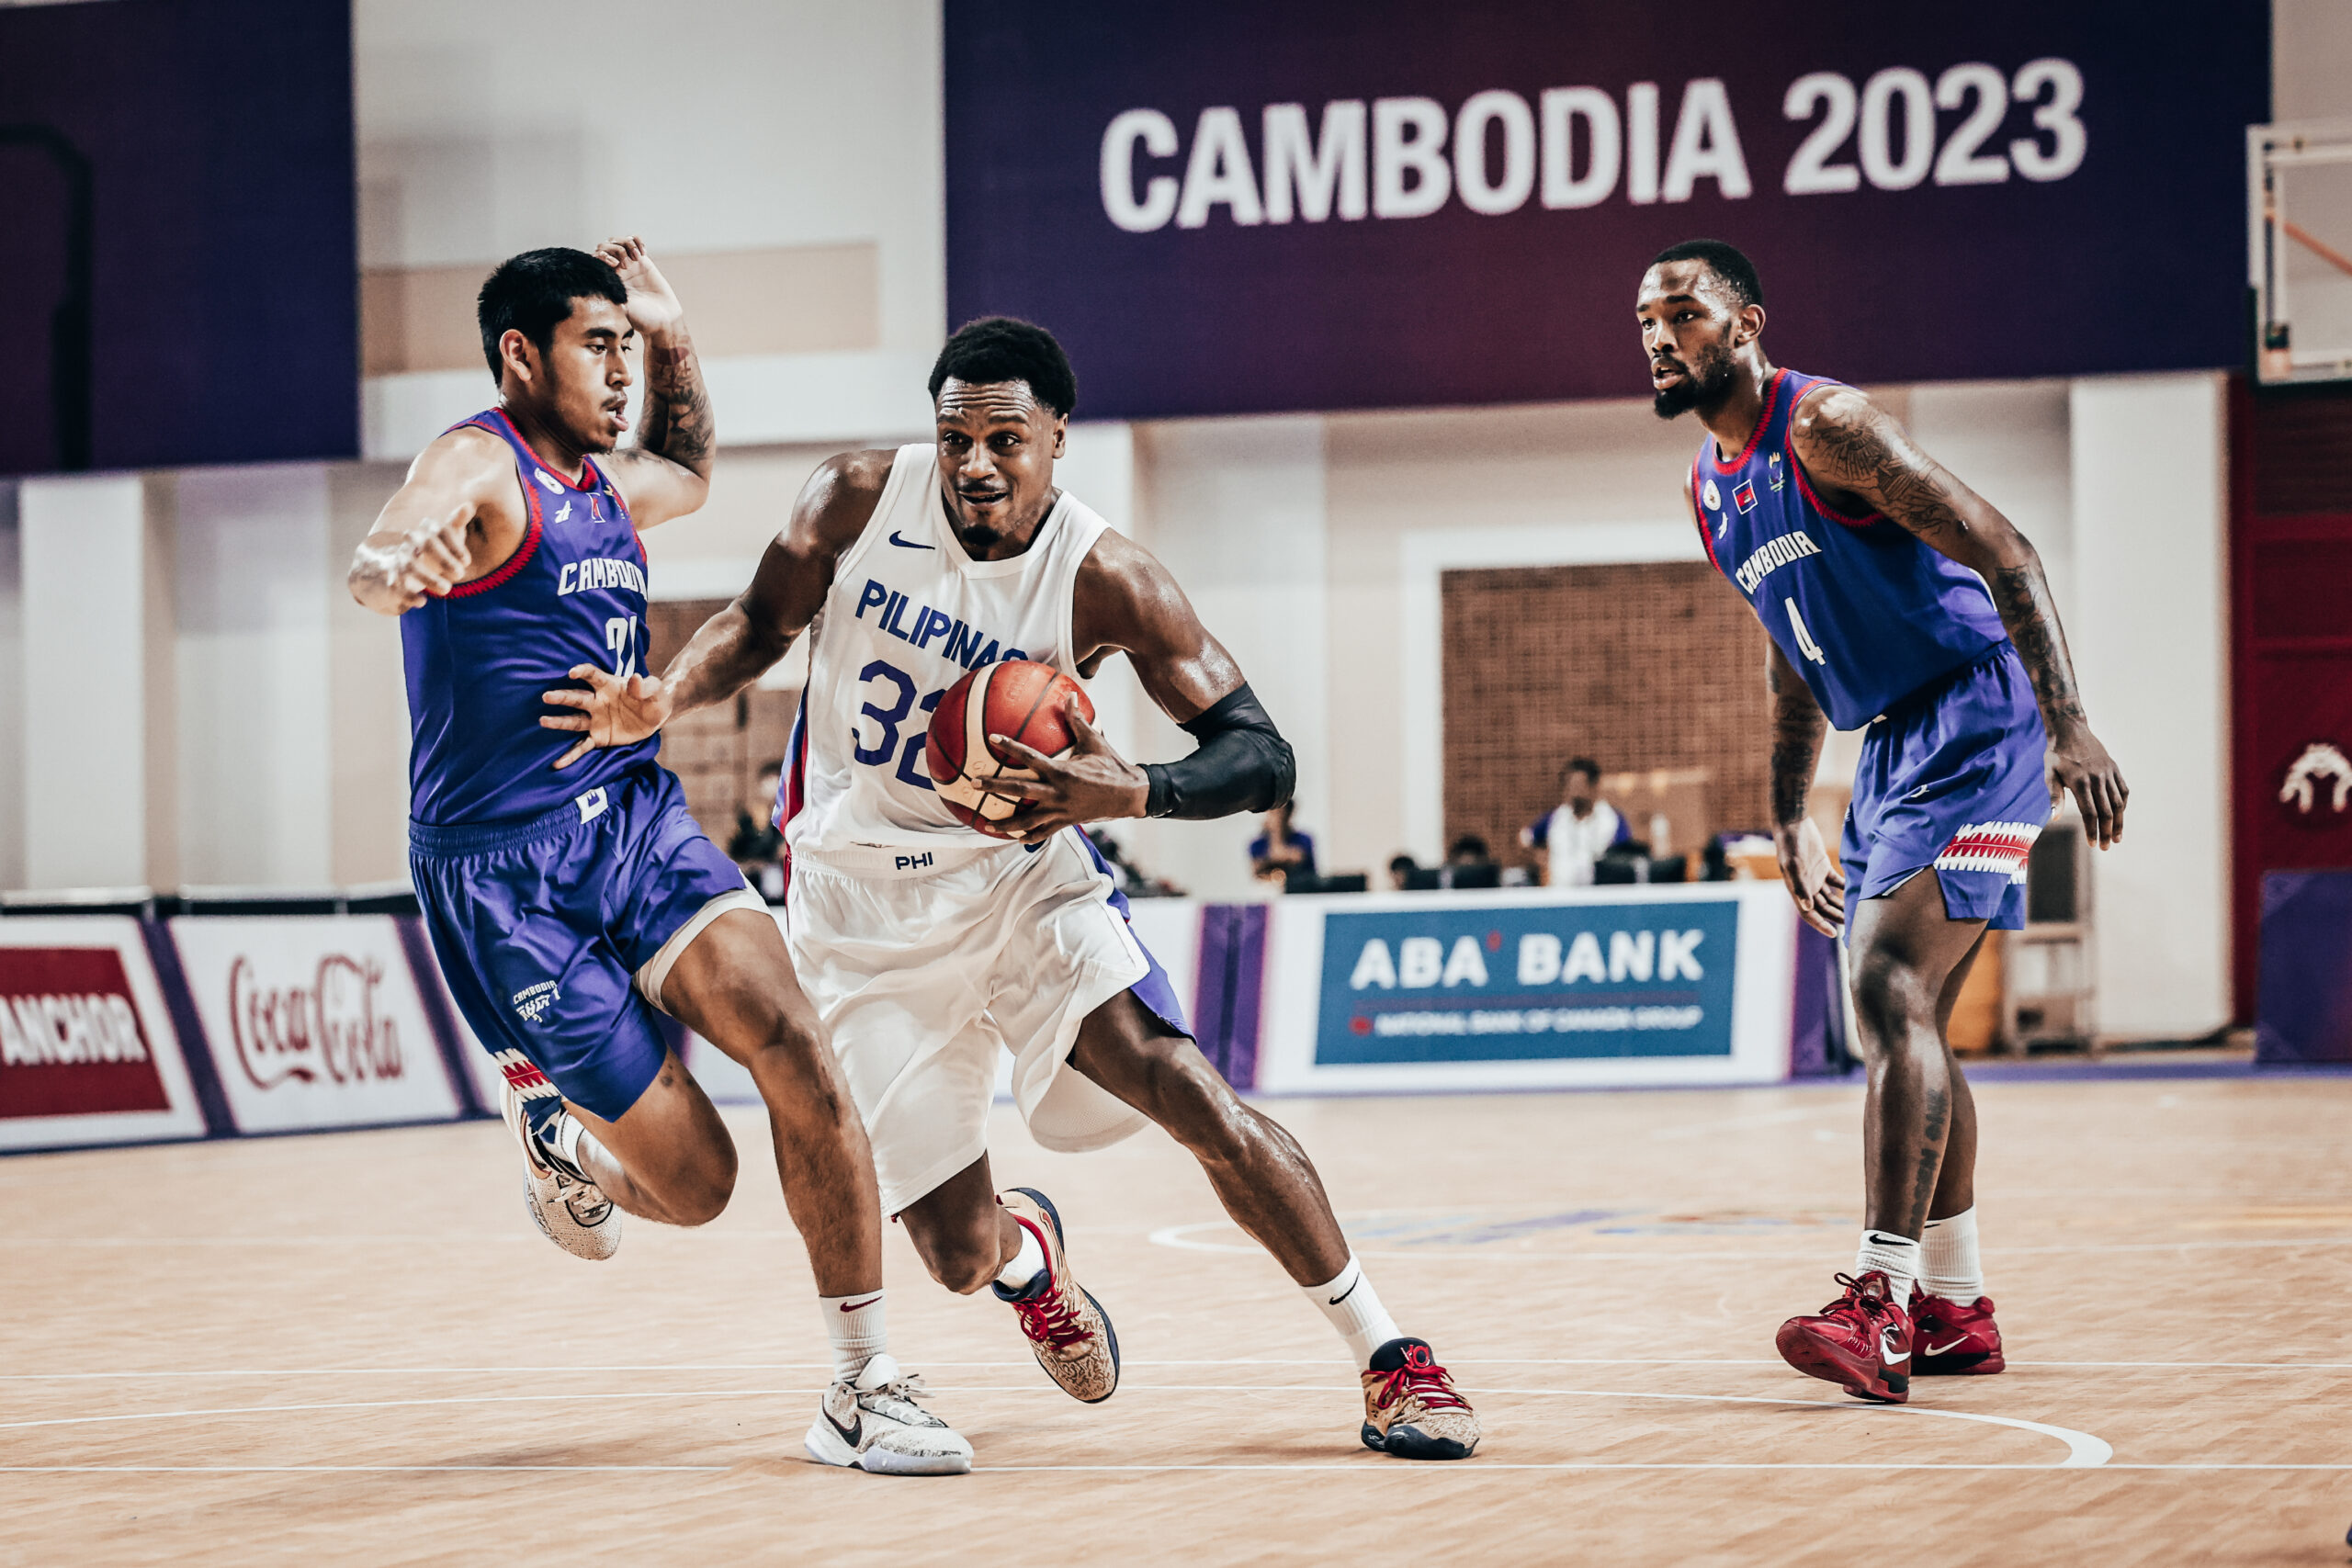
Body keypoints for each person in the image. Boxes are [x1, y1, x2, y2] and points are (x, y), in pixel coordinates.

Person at [548, 316, 1479, 1461]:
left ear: (1055, 440)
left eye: (1005, 439)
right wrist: (669, 692)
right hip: (858, 909)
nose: (976, 464)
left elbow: (1260, 756)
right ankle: (1027, 1255)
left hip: (1020, 883)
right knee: (952, 1254)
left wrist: (1126, 789)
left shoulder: (1105, 578)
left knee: (1180, 1082)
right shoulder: (853, 497)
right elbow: (757, 624)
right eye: (955, 439)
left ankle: (1391, 1360)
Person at [346, 241, 967, 1476]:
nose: (620, 371)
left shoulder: (607, 483)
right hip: (501, 877)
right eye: (599, 344)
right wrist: (388, 568)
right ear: (522, 355)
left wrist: (676, 335)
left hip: (629, 815)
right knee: (700, 1184)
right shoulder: (477, 461)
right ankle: (572, 1155)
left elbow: (685, 466)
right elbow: (391, 542)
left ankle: (863, 1380)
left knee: (795, 1039)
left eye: (627, 348)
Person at [1638, 239, 2127, 1404]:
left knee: (1885, 986)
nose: (1660, 335)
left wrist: (2069, 725)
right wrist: (1786, 823)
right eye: (1646, 321)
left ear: (1745, 321)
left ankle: (1878, 1297)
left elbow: (2005, 547)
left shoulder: (1827, 428)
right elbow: (1791, 662)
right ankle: (1955, 1309)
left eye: (1684, 313)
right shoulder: (1712, 491)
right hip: (1891, 749)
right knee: (1908, 1015)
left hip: (1980, 711)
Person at [1521, 757, 1630, 887]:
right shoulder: (1556, 818)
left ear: (1593, 787)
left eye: (1578, 785)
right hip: (1559, 892)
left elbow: (1626, 852)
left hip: (1598, 893)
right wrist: (1538, 856)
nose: (1573, 791)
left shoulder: (1612, 819)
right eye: (1569, 785)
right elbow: (1524, 838)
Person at [1249, 801, 1317, 884]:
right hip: (1270, 890)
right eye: (1272, 814)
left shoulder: (1304, 839)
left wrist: (1276, 832)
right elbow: (1257, 870)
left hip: (1302, 888)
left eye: (1280, 814)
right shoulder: (1257, 844)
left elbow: (1286, 856)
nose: (1276, 818)